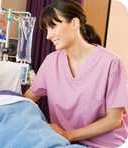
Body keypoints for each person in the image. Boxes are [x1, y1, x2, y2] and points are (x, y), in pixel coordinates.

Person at [25, 0, 128, 147]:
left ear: (74, 23)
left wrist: (69, 135)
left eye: (53, 26)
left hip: (106, 143)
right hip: (66, 141)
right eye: (46, 29)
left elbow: (114, 120)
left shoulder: (111, 63)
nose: (48, 36)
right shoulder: (51, 62)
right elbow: (29, 98)